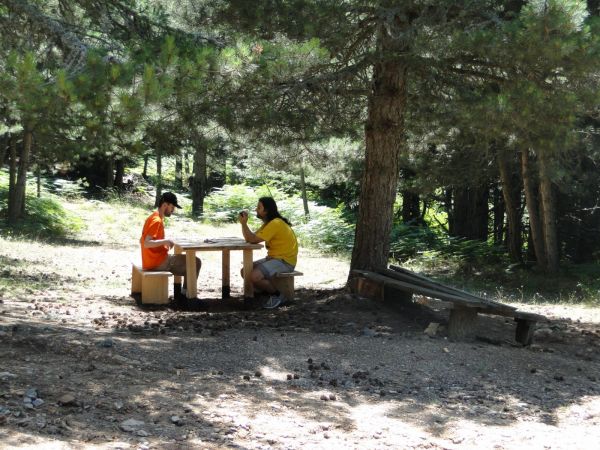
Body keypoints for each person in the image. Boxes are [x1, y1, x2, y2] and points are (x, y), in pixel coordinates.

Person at [239, 196, 298, 309]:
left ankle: (278, 296)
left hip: (285, 261)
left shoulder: (275, 223)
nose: (256, 209)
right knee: (245, 271)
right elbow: (249, 238)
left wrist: (244, 224)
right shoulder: (269, 223)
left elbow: (252, 239)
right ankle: (264, 294)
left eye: (259, 207)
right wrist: (243, 224)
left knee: (254, 276)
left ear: (266, 211)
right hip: (274, 258)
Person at [140, 192, 201, 299]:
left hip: (153, 260)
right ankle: (188, 298)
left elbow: (144, 240)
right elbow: (146, 243)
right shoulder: (156, 221)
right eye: (172, 207)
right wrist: (165, 241)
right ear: (165, 205)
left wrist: (162, 243)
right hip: (157, 262)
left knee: (190, 261)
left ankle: (183, 294)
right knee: (195, 262)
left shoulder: (153, 217)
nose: (173, 210)